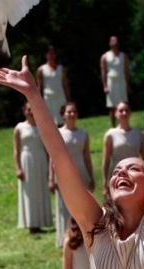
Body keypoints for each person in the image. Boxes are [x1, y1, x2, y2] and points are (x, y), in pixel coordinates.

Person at [0, 28, 144, 268]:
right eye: (117, 171)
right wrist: (33, 95)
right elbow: (59, 156)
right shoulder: (95, 227)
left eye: (133, 168)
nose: (121, 172)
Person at [49, 102, 95, 247]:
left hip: (81, 172)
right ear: (63, 115)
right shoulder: (58, 133)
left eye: (74, 112)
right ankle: (65, 239)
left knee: (82, 205)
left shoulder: (83, 134)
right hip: (63, 174)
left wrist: (91, 175)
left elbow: (87, 156)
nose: (72, 114)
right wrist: (51, 178)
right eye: (69, 112)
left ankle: (82, 237)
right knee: (64, 207)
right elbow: (53, 156)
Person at [13, 102, 52, 233]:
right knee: (29, 192)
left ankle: (41, 222)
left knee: (40, 190)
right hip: (26, 161)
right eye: (28, 109)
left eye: (32, 109)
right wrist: (18, 168)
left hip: (40, 160)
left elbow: (47, 149)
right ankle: (31, 224)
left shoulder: (41, 126)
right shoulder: (19, 127)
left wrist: (49, 167)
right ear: (24, 111)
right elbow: (16, 150)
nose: (30, 112)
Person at [102, 101, 144, 194]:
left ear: (130, 113)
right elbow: (106, 161)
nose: (124, 113)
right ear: (115, 114)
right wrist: (105, 183)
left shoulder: (139, 134)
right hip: (117, 175)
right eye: (121, 111)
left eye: (126, 110)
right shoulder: (110, 135)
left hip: (135, 174)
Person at [100, 36, 131, 126]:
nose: (114, 43)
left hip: (121, 82)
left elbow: (126, 71)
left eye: (116, 41)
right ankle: (113, 125)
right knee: (112, 106)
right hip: (111, 83)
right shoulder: (105, 56)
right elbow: (103, 72)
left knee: (123, 104)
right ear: (109, 43)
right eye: (112, 41)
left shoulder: (123, 56)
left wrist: (127, 84)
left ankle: (124, 124)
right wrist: (105, 85)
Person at [36, 46, 70, 125]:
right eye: (49, 54)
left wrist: (68, 99)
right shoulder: (41, 69)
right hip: (48, 98)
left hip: (61, 96)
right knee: (50, 120)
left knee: (63, 118)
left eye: (53, 54)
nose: (51, 56)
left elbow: (65, 84)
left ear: (55, 55)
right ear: (46, 55)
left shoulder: (61, 68)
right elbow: (39, 86)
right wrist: (38, 101)